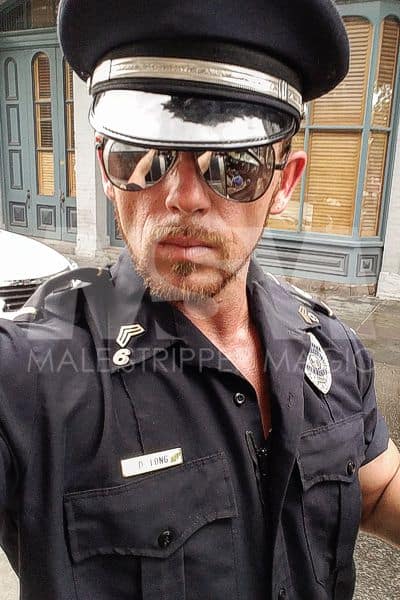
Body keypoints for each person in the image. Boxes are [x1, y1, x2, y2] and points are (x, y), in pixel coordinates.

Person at [0, 1, 399, 599]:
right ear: (108, 172)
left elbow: (374, 486)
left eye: (233, 167)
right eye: (144, 159)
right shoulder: (35, 373)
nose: (183, 197)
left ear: (284, 184)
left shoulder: (332, 352)